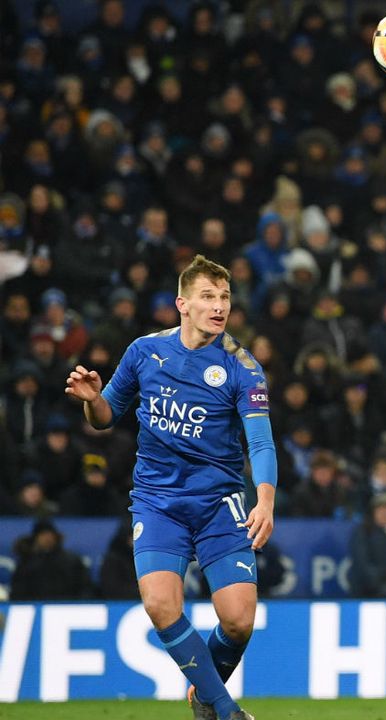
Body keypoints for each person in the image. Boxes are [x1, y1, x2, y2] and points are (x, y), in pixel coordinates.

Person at [64, 254, 272, 720]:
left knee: (238, 621)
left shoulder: (243, 367)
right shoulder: (143, 352)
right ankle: (225, 709)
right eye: (208, 297)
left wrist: (265, 499)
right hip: (158, 504)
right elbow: (105, 418)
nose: (219, 307)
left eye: (224, 298)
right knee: (161, 605)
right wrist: (94, 401)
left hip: (220, 504)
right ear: (182, 303)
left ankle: (203, 693)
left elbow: (260, 442)